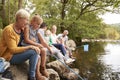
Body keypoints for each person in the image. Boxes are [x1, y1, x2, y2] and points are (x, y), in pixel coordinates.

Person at [0, 9, 39, 80]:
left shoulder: (21, 29)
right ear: (19, 18)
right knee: (34, 52)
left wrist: (32, 40)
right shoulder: (9, 30)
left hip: (15, 53)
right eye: (26, 20)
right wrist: (30, 47)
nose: (27, 22)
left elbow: (25, 40)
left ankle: (37, 74)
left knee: (37, 50)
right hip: (8, 56)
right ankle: (32, 77)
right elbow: (13, 50)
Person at [21, 14, 50, 80]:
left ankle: (42, 68)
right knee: (38, 55)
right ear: (33, 21)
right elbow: (26, 40)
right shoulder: (27, 27)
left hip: (32, 45)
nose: (39, 26)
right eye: (38, 24)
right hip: (26, 45)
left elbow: (41, 40)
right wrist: (37, 44)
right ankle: (37, 74)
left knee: (43, 50)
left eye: (40, 24)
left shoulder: (37, 30)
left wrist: (46, 46)